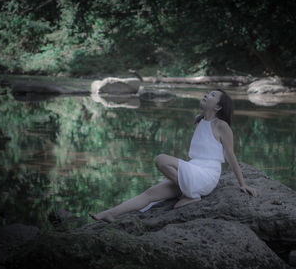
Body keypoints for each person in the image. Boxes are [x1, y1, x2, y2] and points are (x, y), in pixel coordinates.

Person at [89, 89, 257, 223]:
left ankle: (191, 195)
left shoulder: (222, 126)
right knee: (150, 194)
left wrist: (243, 184)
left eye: (212, 95)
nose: (207, 94)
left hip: (206, 175)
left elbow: (231, 156)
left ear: (218, 107)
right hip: (194, 169)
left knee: (161, 159)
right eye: (208, 92)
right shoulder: (199, 120)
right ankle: (111, 213)